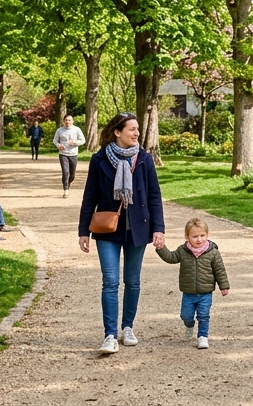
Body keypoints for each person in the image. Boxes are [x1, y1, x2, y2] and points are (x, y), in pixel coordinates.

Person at [78, 112, 166, 355]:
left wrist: (158, 228)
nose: (137, 133)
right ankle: (109, 334)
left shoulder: (144, 159)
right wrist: (83, 231)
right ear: (117, 132)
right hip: (108, 229)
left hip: (138, 228)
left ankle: (128, 327)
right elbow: (90, 197)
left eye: (138, 129)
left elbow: (154, 196)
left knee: (133, 281)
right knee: (110, 282)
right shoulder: (99, 160)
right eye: (132, 129)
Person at [155, 217, 230, 349]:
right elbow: (171, 257)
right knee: (186, 315)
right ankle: (189, 325)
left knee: (203, 315)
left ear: (207, 235)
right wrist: (161, 249)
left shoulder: (213, 252)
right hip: (188, 292)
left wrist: (223, 286)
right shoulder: (183, 251)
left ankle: (202, 337)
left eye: (202, 235)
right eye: (195, 236)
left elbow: (220, 270)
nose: (199, 239)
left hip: (205, 292)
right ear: (187, 237)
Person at [53, 115, 86, 198]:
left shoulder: (77, 130)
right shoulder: (60, 130)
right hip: (63, 154)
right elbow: (55, 140)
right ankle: (66, 190)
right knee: (65, 172)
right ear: (64, 121)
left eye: (69, 120)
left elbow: (83, 140)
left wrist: (75, 143)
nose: (68, 122)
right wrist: (58, 145)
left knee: (72, 175)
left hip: (73, 154)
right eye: (66, 120)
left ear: (72, 121)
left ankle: (67, 182)